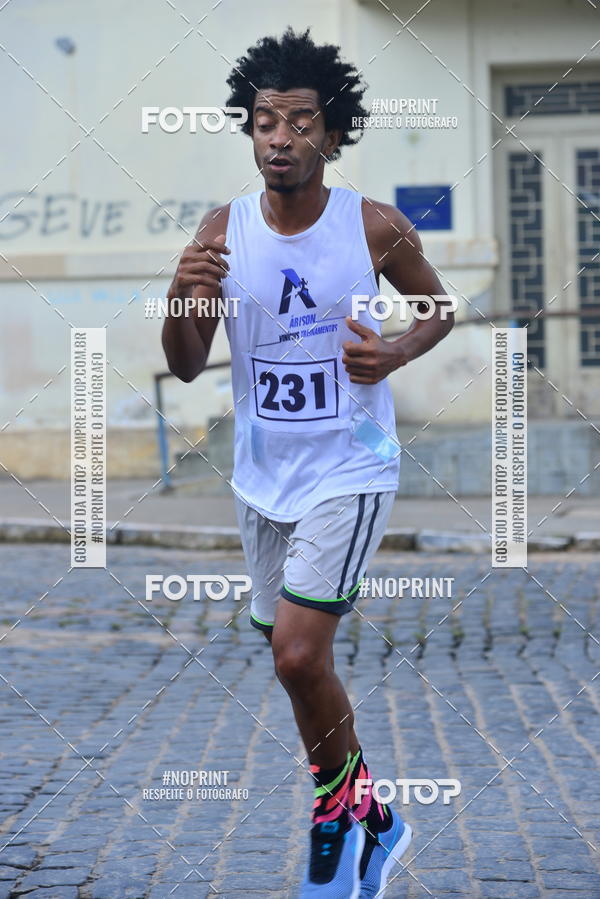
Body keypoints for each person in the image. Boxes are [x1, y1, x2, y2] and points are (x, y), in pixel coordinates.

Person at [162, 27, 454, 899]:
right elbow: (182, 361)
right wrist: (184, 291)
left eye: (298, 122)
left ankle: (336, 820)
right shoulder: (221, 231)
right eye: (263, 123)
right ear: (248, 131)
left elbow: (436, 304)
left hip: (350, 466)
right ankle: (378, 818)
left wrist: (395, 354)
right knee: (301, 664)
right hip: (263, 476)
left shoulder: (372, 224)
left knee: (296, 655)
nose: (279, 138)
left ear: (332, 133)